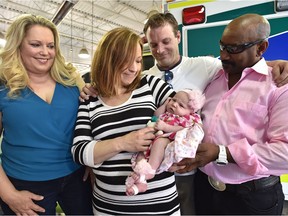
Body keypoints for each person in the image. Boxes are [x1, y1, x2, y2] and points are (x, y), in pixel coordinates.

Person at [80, 12, 288, 215]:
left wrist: (274, 65)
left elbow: (248, 68)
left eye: (166, 41)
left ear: (178, 37)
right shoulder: (146, 79)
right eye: (153, 45)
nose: (160, 50)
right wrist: (93, 88)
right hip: (203, 185)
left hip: (247, 193)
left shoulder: (206, 67)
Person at [185, 13, 288, 215]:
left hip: (251, 199)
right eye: (222, 46)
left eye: (234, 49)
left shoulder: (278, 86)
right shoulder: (214, 77)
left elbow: (285, 153)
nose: (224, 55)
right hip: (204, 190)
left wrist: (222, 153)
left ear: (261, 48)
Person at [71, 27, 180, 215]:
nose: (134, 68)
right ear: (108, 60)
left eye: (138, 61)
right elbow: (80, 152)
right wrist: (124, 142)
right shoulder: (90, 99)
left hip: (161, 206)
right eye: (126, 62)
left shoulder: (151, 84)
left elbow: (187, 117)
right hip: (109, 208)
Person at [0, 14, 93, 215]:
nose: (45, 52)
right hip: (26, 185)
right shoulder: (3, 87)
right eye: (36, 45)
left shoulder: (71, 80)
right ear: (18, 46)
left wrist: (91, 159)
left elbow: (90, 122)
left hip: (77, 177)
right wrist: (9, 195)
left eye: (50, 46)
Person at [125, 88, 205, 196]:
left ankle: (150, 171)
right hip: (154, 142)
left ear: (191, 111)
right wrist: (164, 105)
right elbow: (156, 115)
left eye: (181, 105)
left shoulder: (188, 118)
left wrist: (166, 127)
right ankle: (141, 183)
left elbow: (184, 130)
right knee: (140, 153)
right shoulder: (167, 113)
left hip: (168, 142)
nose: (174, 104)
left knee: (160, 142)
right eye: (173, 100)